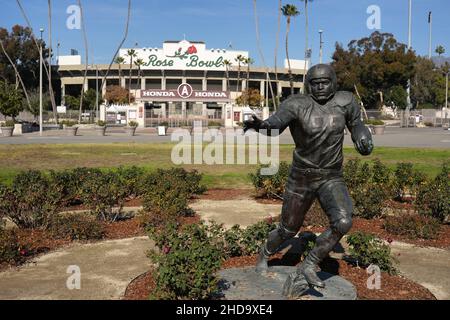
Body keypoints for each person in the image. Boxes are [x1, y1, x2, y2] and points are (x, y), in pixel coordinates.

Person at [243, 64, 373, 289]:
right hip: (301, 177)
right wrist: (261, 125)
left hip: (331, 177)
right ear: (308, 84)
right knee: (288, 229)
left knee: (343, 221)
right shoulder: (296, 104)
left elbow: (356, 124)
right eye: (315, 83)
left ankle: (310, 263)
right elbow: (276, 124)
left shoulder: (346, 101)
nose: (320, 86)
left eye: (325, 82)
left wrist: (363, 137)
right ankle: (264, 253)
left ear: (333, 82)